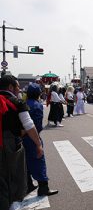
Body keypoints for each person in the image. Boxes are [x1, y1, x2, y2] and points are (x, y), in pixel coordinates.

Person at [0, 75, 44, 210]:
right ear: (11, 87)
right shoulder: (16, 102)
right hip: (11, 144)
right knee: (16, 176)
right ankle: (14, 205)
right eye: (18, 87)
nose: (19, 90)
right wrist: (38, 144)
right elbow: (29, 125)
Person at [23, 83, 58, 196]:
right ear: (39, 93)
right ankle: (43, 188)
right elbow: (37, 125)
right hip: (33, 137)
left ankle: (28, 185)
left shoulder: (24, 104)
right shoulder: (37, 105)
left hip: (22, 138)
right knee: (39, 161)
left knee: (26, 162)